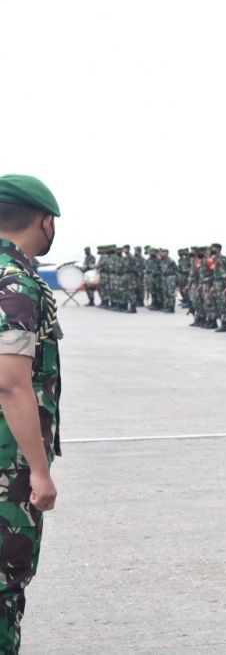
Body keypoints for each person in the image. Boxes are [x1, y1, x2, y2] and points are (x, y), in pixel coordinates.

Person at [0, 174, 61, 651]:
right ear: (43, 220)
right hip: (7, 463)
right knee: (5, 583)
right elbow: (12, 383)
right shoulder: (16, 282)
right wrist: (39, 472)